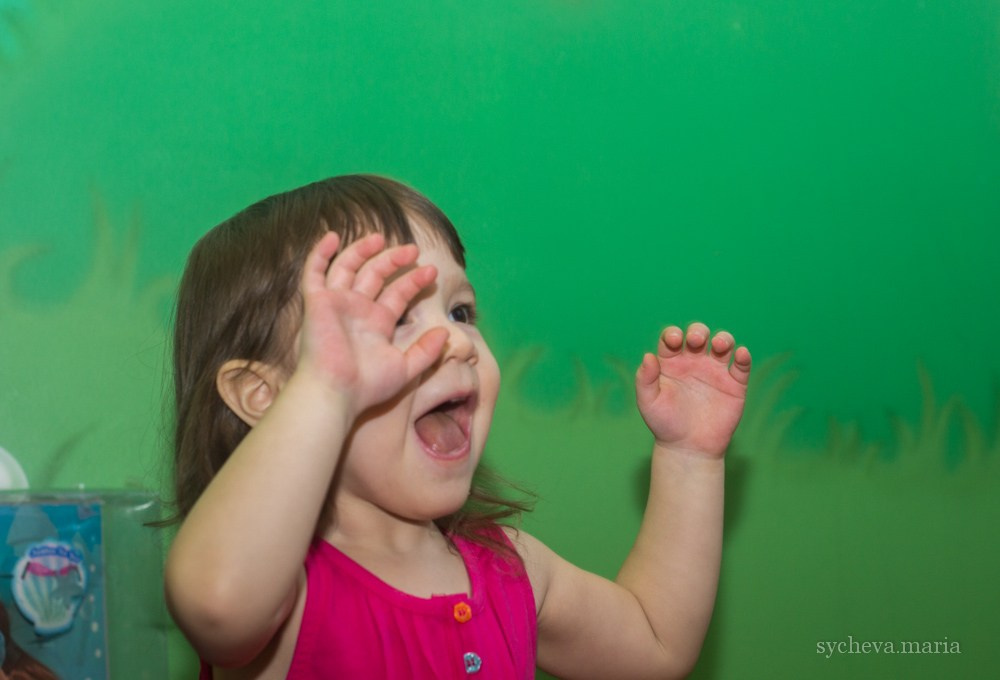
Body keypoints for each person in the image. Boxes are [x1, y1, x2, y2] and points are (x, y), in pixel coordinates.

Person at [164, 174, 752, 679]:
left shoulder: (509, 568)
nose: (452, 342)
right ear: (265, 396)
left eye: (459, 311)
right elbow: (216, 606)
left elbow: (656, 643)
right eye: (389, 321)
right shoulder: (286, 598)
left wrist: (690, 457)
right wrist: (329, 388)